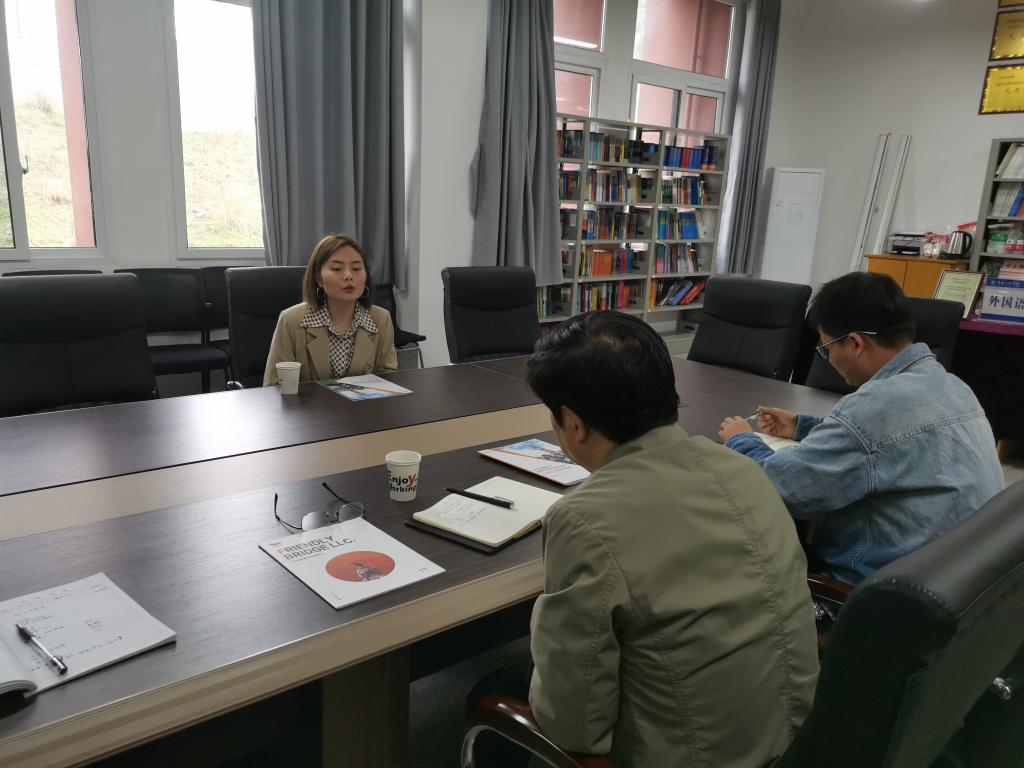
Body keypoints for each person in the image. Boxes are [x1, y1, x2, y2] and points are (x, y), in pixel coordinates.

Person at [473, 311, 819, 768]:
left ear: (573, 423)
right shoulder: (744, 468)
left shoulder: (584, 520)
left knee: (494, 690)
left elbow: (572, 725)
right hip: (798, 737)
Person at [718, 272, 1002, 585]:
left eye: (826, 348)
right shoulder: (954, 386)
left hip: (871, 594)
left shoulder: (875, 406)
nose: (828, 359)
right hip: (957, 583)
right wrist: (802, 426)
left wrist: (741, 439)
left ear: (854, 343)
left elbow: (783, 489)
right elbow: (888, 443)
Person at [264, 234, 398, 385]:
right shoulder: (291, 320)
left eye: (356, 268)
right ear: (318, 278)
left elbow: (388, 378)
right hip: (308, 401)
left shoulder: (381, 319)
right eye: (336, 268)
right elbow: (274, 386)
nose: (348, 276)